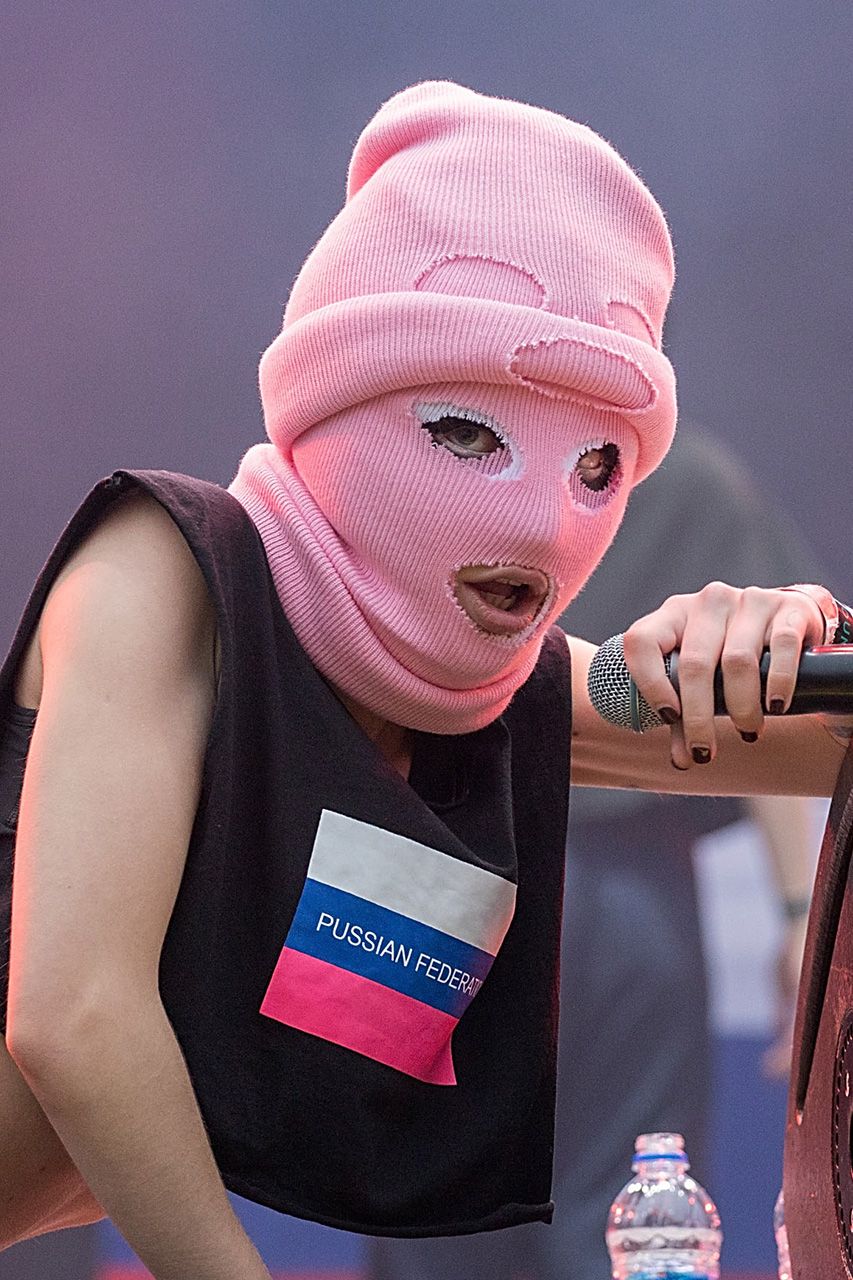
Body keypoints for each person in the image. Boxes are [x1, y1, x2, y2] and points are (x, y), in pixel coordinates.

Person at [0, 81, 848, 1280]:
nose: (542, 520)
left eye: (596, 466)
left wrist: (794, 641)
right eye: (463, 432)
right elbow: (72, 1014)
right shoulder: (169, 576)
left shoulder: (495, 698)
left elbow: (808, 747)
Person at [366, 422, 822, 1280]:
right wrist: (797, 914)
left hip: (447, 870)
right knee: (634, 1215)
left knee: (436, 1215)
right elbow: (764, 700)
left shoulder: (420, 468)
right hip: (625, 899)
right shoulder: (691, 477)